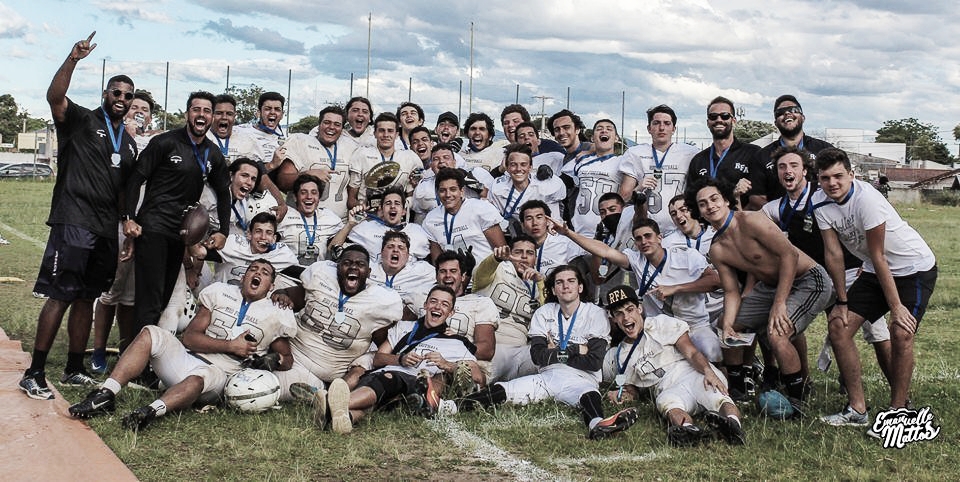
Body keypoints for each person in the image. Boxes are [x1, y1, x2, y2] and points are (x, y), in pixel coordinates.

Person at [20, 32, 139, 399]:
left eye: (127, 95)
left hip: (105, 228)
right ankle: (34, 371)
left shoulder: (130, 142)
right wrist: (73, 59)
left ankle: (73, 367)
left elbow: (123, 188)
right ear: (106, 94)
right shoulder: (81, 120)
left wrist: (125, 224)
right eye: (115, 92)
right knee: (61, 294)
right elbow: (54, 97)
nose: (121, 98)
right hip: (73, 220)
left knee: (87, 296)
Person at [68, 260, 296, 431]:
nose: (257, 274)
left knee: (200, 377)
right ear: (244, 276)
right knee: (151, 333)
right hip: (186, 358)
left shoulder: (276, 313)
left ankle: (150, 411)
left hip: (220, 374)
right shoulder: (220, 293)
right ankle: (106, 393)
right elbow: (189, 338)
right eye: (253, 270)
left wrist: (272, 360)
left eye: (264, 273)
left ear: (271, 286)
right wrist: (230, 345)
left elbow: (287, 358)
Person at [812, 148, 937, 428]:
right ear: (818, 179)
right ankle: (857, 409)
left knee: (900, 332)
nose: (832, 183)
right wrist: (842, 302)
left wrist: (896, 307)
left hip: (912, 268)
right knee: (838, 327)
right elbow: (833, 254)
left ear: (851, 175)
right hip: (872, 269)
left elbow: (878, 255)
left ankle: (899, 413)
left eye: (838, 176)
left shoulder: (866, 198)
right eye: (825, 178)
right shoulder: (819, 203)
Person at [442, 265, 639, 440]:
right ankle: (449, 406)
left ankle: (597, 424)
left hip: (582, 378)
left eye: (571, 281)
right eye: (560, 282)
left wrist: (556, 351)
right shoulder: (544, 312)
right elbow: (537, 356)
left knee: (590, 395)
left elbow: (594, 362)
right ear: (553, 289)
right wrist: (576, 349)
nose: (565, 286)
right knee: (503, 389)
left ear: (580, 287)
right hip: (547, 375)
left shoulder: (595, 314)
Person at [684, 177, 834, 407]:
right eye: (703, 204)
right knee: (727, 324)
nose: (710, 206)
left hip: (808, 279)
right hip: (770, 286)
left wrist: (779, 303)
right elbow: (732, 291)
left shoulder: (751, 220)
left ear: (725, 200)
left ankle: (797, 399)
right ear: (699, 212)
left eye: (714, 199)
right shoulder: (717, 249)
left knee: (777, 333)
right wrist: (728, 326)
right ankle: (737, 389)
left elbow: (789, 256)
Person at [758, 147, 891, 393]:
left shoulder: (825, 195)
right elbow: (753, 230)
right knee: (791, 323)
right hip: (811, 278)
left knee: (876, 330)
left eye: (794, 166)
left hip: (850, 271)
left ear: (806, 172)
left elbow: (860, 226)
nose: (788, 171)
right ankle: (803, 380)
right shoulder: (774, 209)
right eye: (782, 167)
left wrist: (868, 265)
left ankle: (899, 393)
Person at [121, 91, 232, 340]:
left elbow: (224, 192)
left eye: (206, 111)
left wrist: (223, 230)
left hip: (181, 233)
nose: (201, 115)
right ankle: (135, 360)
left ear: (212, 117)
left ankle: (146, 354)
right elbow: (136, 179)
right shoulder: (165, 142)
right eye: (196, 109)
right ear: (187, 114)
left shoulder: (212, 153)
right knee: (149, 298)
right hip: (154, 227)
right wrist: (129, 216)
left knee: (162, 298)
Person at [547, 217, 722, 362]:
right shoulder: (637, 260)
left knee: (711, 351)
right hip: (658, 327)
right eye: (638, 239)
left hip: (694, 324)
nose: (644, 242)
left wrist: (675, 288)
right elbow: (605, 251)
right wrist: (568, 233)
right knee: (645, 362)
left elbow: (715, 280)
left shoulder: (687, 256)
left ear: (660, 237)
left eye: (648, 236)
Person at [321, 285, 484, 433]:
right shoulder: (404, 327)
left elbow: (478, 377)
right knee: (379, 394)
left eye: (444, 304)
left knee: (391, 380)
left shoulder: (457, 342)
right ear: (426, 305)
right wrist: (401, 359)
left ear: (451, 313)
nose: (437, 307)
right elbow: (378, 358)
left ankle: (329, 404)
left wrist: (446, 364)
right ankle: (344, 418)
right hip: (386, 376)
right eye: (433, 301)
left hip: (417, 385)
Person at [602, 285, 745, 446]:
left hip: (692, 373)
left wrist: (708, 371)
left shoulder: (661, 324)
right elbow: (632, 390)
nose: (626, 318)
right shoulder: (621, 355)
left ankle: (733, 426)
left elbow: (691, 352)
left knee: (718, 396)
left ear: (639, 309)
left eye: (630, 310)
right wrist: (621, 395)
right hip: (666, 387)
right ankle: (688, 431)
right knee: (667, 404)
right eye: (619, 314)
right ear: (613, 319)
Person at [273, 245, 403, 400]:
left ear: (368, 272)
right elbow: (288, 295)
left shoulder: (379, 302)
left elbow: (384, 344)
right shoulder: (321, 279)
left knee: (366, 361)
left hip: (338, 372)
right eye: (347, 263)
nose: (353, 267)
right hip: (294, 357)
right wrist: (281, 294)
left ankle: (327, 393)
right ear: (337, 267)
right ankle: (318, 391)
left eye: (360, 264)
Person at [90, 90, 158, 373]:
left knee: (129, 297)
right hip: (118, 221)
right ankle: (98, 351)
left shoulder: (156, 141)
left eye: (145, 109)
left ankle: (125, 350)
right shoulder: (115, 137)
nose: (138, 111)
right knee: (110, 291)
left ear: (152, 117)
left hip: (144, 223)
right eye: (135, 106)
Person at [618, 104, 699, 236]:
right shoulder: (635, 154)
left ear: (674, 129)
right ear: (649, 128)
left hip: (681, 229)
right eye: (656, 123)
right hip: (647, 231)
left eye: (667, 123)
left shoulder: (690, 153)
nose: (661, 128)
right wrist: (638, 188)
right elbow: (623, 198)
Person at [473, 235, 544, 383]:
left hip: (521, 349)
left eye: (530, 253)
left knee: (549, 361)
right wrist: (496, 259)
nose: (524, 257)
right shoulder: (497, 269)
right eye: (518, 252)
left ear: (535, 259)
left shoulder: (538, 283)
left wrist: (541, 283)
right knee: (479, 376)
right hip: (493, 346)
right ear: (510, 254)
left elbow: (548, 316)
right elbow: (480, 275)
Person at [269, 105, 355, 221]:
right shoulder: (301, 142)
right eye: (327, 122)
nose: (331, 127)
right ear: (319, 125)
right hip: (300, 221)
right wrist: (308, 175)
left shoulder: (350, 146)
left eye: (337, 124)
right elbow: (282, 181)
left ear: (342, 129)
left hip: (339, 223)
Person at [748, 95, 834, 210]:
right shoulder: (761, 156)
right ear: (775, 123)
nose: (788, 114)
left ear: (803, 117)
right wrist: (784, 215)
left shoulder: (825, 150)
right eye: (781, 112)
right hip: (778, 224)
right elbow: (756, 198)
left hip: (821, 219)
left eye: (794, 110)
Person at [189, 212, 299, 289]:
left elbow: (303, 277)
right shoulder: (234, 243)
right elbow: (200, 252)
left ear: (274, 239)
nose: (263, 237)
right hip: (222, 298)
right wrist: (193, 271)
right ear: (249, 235)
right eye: (258, 231)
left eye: (269, 233)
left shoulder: (282, 254)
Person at [423, 167, 506, 268]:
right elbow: (438, 263)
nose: (448, 195)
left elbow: (502, 251)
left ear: (462, 191)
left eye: (453, 189)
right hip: (455, 279)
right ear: (437, 193)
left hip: (488, 274)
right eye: (442, 190)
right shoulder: (431, 219)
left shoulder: (481, 208)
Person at [435, 250, 498, 381]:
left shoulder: (480, 303)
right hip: (430, 359)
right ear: (436, 276)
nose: (447, 276)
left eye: (453, 271)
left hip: (466, 363)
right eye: (442, 271)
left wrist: (455, 345)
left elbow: (487, 350)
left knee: (454, 373)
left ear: (463, 276)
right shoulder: (424, 301)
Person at [686, 97, 759, 209]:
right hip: (708, 223)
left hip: (741, 222)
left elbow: (760, 198)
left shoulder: (753, 153)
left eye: (725, 116)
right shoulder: (698, 160)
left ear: (733, 121)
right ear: (708, 122)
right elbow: (691, 200)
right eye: (713, 116)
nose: (719, 120)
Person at [347, 112, 421, 211]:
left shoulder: (409, 157)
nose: (386, 135)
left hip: (397, 220)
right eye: (381, 130)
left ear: (397, 134)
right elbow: (351, 200)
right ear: (375, 133)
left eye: (390, 131)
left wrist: (404, 205)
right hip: (368, 219)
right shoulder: (362, 154)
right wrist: (362, 207)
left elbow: (413, 193)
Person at [562, 119, 624, 236]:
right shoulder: (581, 160)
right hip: (579, 231)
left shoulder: (622, 161)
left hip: (608, 231)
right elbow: (560, 184)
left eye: (609, 129)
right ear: (592, 138)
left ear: (616, 138)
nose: (604, 131)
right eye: (599, 129)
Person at [488, 144, 565, 238]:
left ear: (530, 167)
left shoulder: (546, 185)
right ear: (507, 168)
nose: (518, 169)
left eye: (523, 164)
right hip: (519, 241)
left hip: (549, 239)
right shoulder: (498, 188)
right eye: (513, 165)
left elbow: (554, 221)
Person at [344, 185, 431, 261]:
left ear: (404, 211)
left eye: (397, 203)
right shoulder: (366, 228)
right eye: (388, 203)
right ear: (381, 210)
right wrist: (350, 224)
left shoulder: (417, 231)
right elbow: (333, 248)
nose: (392, 206)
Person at [275, 174, 345, 265]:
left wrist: (351, 223)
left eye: (314, 192)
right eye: (303, 192)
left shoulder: (329, 217)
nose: (309, 196)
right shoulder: (284, 215)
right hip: (289, 272)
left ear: (319, 198)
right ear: (295, 197)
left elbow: (339, 242)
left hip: (318, 272)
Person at [367, 231, 436, 320]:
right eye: (390, 247)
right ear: (381, 253)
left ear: (407, 256)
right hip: (371, 319)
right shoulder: (368, 268)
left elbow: (446, 277)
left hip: (404, 322)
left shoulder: (422, 270)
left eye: (401, 248)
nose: (395, 250)